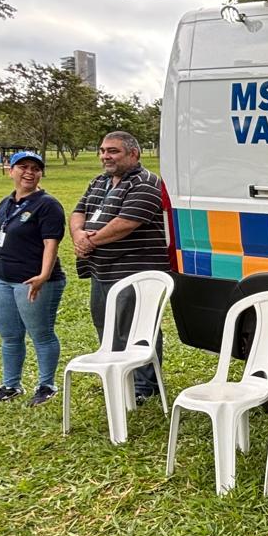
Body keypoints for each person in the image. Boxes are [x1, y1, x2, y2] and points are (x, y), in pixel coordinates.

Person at [70, 132, 169, 401]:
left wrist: (90, 242)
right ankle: (118, 375)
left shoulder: (146, 183)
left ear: (133, 154)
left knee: (136, 328)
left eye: (112, 151)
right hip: (101, 270)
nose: (105, 156)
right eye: (102, 150)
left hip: (134, 273)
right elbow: (78, 212)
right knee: (105, 325)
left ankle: (145, 386)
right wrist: (79, 235)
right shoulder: (99, 182)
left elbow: (127, 222)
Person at [0, 151, 67, 405]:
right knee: (9, 336)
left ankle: (46, 386)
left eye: (35, 168)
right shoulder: (7, 203)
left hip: (33, 281)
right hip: (3, 279)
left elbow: (51, 244)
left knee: (41, 334)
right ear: (11, 171)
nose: (29, 172)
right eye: (23, 167)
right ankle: (10, 385)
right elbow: (4, 238)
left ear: (41, 173)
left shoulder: (47, 204)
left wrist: (43, 276)